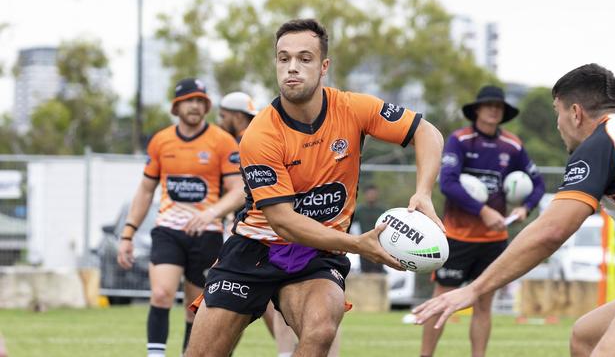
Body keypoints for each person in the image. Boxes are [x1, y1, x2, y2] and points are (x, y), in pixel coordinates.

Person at [186, 18, 445, 357]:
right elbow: (284, 222)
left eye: (304, 58)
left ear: (323, 66)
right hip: (255, 248)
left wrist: (423, 192)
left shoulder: (353, 108)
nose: (292, 67)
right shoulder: (260, 134)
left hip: (318, 253)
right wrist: (357, 244)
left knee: (321, 329)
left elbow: (428, 133)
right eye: (284, 58)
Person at [413, 63, 615, 357]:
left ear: (575, 113)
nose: (558, 124)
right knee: (585, 338)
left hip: (486, 240)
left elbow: (552, 230)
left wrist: (474, 289)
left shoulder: (600, 144)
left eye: (557, 113)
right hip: (463, 235)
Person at [117, 78, 245, 357]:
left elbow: (238, 191)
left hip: (207, 234)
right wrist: (127, 234)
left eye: (201, 101)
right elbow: (145, 190)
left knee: (195, 308)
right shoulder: (161, 141)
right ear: (177, 106)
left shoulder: (222, 141)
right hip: (168, 232)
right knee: (161, 293)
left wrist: (212, 213)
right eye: (190, 100)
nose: (196, 106)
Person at [420, 85, 545, 357]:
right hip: (457, 237)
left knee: (484, 304)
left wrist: (525, 208)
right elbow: (449, 184)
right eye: (488, 105)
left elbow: (538, 184)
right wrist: (483, 211)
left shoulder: (512, 145)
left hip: (493, 241)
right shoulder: (460, 140)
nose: (493, 110)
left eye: (498, 107)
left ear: (503, 113)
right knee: (441, 300)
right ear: (477, 109)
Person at [218, 91, 301, 357]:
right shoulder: (265, 135)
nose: (220, 122)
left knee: (231, 302)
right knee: (261, 301)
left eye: (223, 116)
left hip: (256, 233)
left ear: (236, 116)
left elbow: (247, 195)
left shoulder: (247, 143)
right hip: (266, 230)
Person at [354, 184, 388, 273]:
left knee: (379, 270)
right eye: (369, 193)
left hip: (380, 244)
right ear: (365, 195)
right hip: (364, 244)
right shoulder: (359, 210)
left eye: (373, 193)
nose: (371, 195)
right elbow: (349, 223)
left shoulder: (382, 211)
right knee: (365, 271)